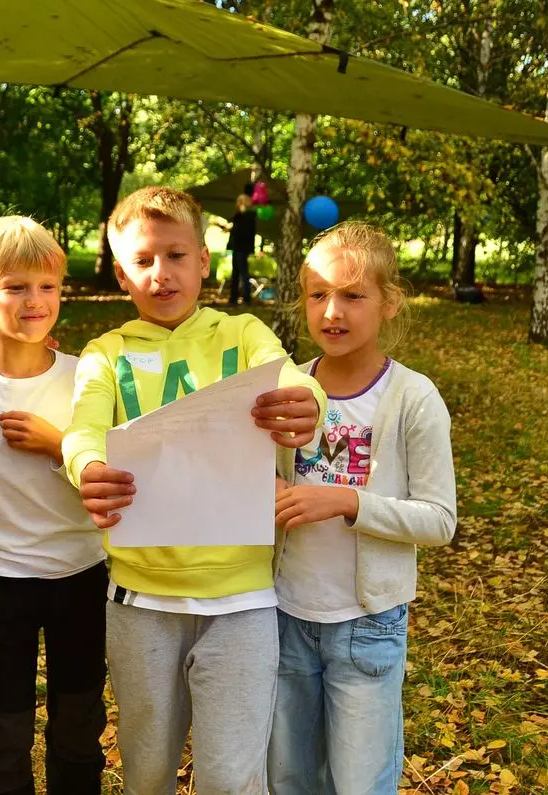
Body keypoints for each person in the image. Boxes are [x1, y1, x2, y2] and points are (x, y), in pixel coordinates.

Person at [61, 186, 327, 795]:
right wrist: (87, 469)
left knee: (231, 778)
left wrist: (305, 404)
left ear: (204, 259)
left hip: (242, 602)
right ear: (121, 273)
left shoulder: (241, 335)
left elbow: (293, 379)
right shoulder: (106, 354)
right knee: (146, 773)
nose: (162, 274)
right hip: (140, 604)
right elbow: (83, 432)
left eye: (176, 255)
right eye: (143, 261)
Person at [267, 222, 457, 795]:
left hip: (368, 626)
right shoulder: (286, 385)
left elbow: (439, 519)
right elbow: (256, 481)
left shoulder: (411, 398)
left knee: (359, 783)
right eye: (318, 294)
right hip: (282, 618)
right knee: (289, 778)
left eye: (353, 295)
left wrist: (348, 501)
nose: (332, 311)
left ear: (390, 302)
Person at [0, 217, 107, 795]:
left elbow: (116, 472)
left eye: (47, 287)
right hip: (4, 580)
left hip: (82, 574)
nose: (35, 301)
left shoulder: (89, 378)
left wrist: (59, 444)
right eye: (15, 287)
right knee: (3, 730)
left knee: (77, 726)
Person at [225, 192, 257, 306]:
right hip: (237, 247)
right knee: (236, 273)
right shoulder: (239, 215)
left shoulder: (247, 216)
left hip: (241, 248)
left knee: (243, 274)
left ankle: (246, 298)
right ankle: (233, 298)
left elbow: (245, 233)